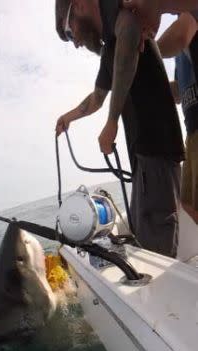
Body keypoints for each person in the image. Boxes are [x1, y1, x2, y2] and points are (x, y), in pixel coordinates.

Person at [55, 0, 185, 257]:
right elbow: (96, 99)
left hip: (156, 149)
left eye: (70, 32)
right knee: (143, 234)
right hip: (144, 158)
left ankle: (158, 296)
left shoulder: (122, 16)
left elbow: (130, 32)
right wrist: (67, 117)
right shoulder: (109, 46)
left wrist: (112, 121)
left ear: (79, 6)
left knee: (155, 248)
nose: (76, 43)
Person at [157, 12, 198, 258]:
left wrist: (144, 51)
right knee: (188, 202)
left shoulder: (190, 14)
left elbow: (181, 32)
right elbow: (179, 93)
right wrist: (148, 83)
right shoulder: (180, 59)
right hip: (191, 133)